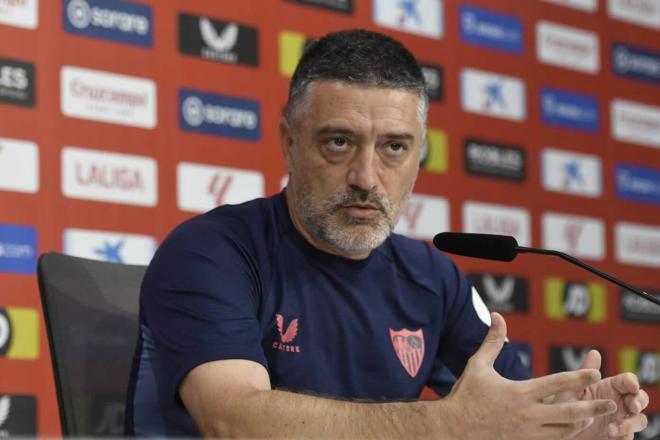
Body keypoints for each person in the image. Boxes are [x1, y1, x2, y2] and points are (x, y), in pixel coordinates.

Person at [125, 29, 649, 438]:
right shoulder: (211, 253)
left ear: (419, 154)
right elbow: (237, 424)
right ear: (289, 142)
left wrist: (573, 425)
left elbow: (509, 408)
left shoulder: (431, 277)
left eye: (394, 147)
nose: (366, 177)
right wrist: (449, 428)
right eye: (338, 142)